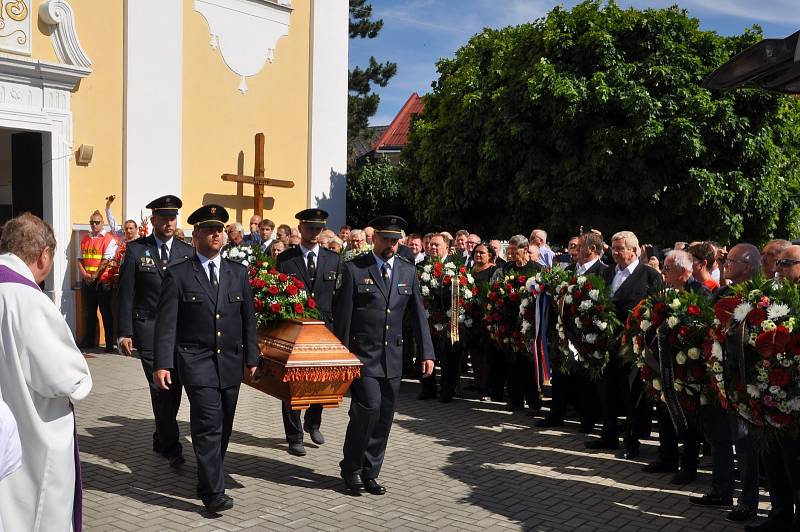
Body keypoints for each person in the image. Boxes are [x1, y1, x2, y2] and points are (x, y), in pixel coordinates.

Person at [153, 204, 259, 513]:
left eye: (220, 229)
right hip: (196, 362)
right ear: (195, 235)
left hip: (229, 363)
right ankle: (213, 492)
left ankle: (206, 476)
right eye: (209, 229)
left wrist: (252, 357)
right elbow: (167, 323)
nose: (216, 233)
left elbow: (247, 318)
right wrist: (162, 363)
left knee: (223, 425)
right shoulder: (179, 274)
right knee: (207, 425)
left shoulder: (237, 273)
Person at [0, 213, 93, 531]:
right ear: (44, 255)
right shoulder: (28, 301)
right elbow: (65, 379)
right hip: (31, 435)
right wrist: (82, 374)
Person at [334, 215, 434, 495]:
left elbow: (417, 315)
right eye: (385, 239)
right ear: (374, 239)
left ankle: (370, 471)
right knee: (368, 408)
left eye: (394, 240)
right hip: (362, 355)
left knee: (385, 415)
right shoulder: (354, 269)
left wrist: (427, 352)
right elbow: (342, 318)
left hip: (393, 356)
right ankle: (351, 467)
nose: (390, 244)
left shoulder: (406, 270)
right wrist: (341, 358)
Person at [116, 195, 193, 468]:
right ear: (153, 220)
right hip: (147, 328)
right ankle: (173, 446)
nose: (169, 223)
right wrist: (124, 332)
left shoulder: (186, 252)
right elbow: (126, 294)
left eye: (172, 218)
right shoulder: (137, 250)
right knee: (160, 388)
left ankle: (162, 435)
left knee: (175, 388)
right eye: (163, 218)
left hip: (177, 332)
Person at [588, 230, 662, 458]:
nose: (616, 252)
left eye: (620, 248)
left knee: (631, 395)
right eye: (614, 247)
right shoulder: (608, 272)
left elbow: (655, 310)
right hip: (607, 343)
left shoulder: (649, 276)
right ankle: (608, 436)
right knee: (606, 390)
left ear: (634, 250)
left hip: (632, 346)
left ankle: (633, 440)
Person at [276, 209, 341, 456]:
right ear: (300, 228)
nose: (314, 232)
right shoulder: (286, 259)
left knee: (320, 380)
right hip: (295, 327)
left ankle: (313, 422)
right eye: (310, 228)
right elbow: (279, 294)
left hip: (324, 330)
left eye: (318, 228)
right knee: (292, 384)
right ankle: (294, 436)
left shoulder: (333, 259)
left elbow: (338, 298)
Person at [642, 250, 708, 485]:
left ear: (682, 271)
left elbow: (700, 328)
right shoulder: (665, 293)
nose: (663, 272)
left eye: (668, 269)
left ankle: (689, 466)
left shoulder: (700, 292)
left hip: (687, 367)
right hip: (664, 364)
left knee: (689, 417)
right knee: (664, 411)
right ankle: (667, 457)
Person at [539, 231, 606, 431]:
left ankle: (587, 420)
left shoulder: (602, 272)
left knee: (585, 380)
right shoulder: (569, 270)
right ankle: (556, 414)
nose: (575, 249)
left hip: (586, 334)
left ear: (592, 249)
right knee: (561, 375)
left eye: (580, 245)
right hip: (564, 331)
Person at [78, 208, 119, 352]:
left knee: (105, 312)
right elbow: (80, 259)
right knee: (90, 312)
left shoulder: (109, 239)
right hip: (88, 280)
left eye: (97, 222)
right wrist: (85, 275)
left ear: (102, 223)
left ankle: (109, 343)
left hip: (102, 281)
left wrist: (94, 276)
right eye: (92, 222)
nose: (94, 225)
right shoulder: (85, 238)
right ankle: (89, 340)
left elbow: (105, 261)